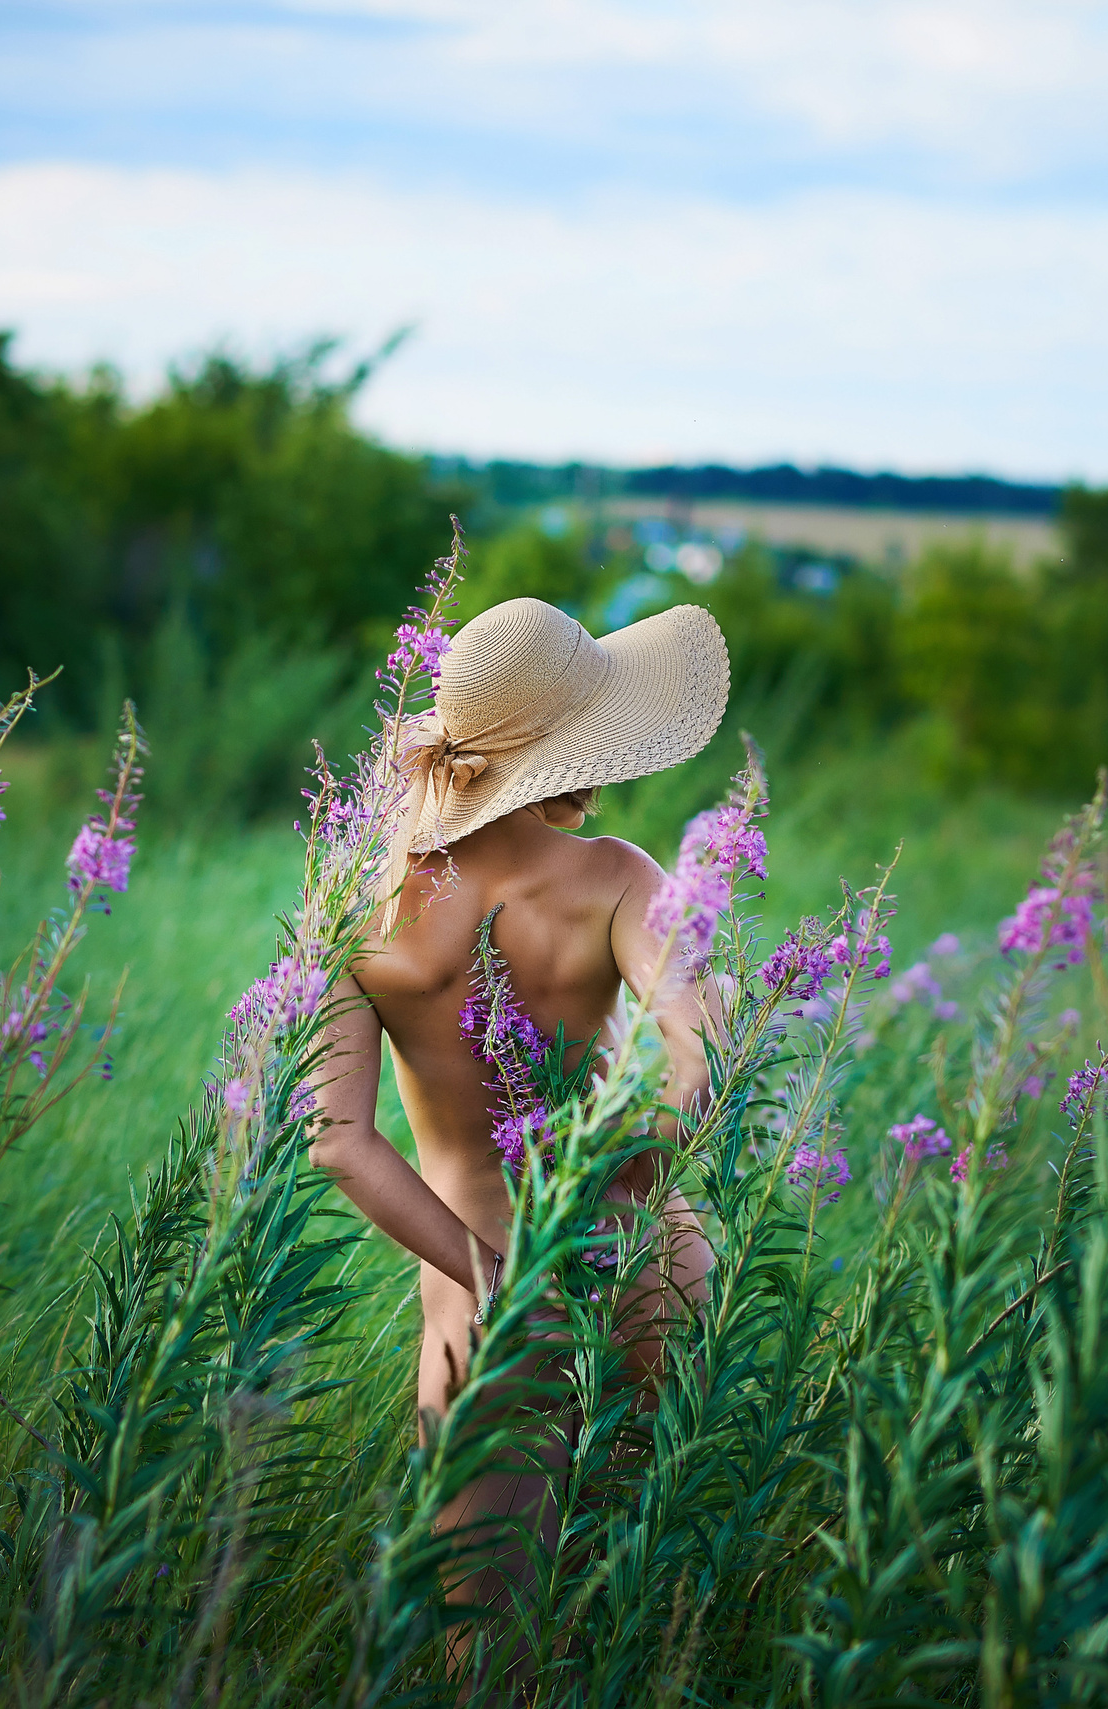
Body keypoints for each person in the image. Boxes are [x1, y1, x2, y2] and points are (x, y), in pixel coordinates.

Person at [306, 594, 732, 1681]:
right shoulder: (613, 876)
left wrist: (487, 1270)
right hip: (645, 1259)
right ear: (562, 755)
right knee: (649, 1625)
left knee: (487, 1657)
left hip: (484, 1301)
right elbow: (704, 1055)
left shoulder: (357, 906)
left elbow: (339, 1143)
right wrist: (639, 1157)